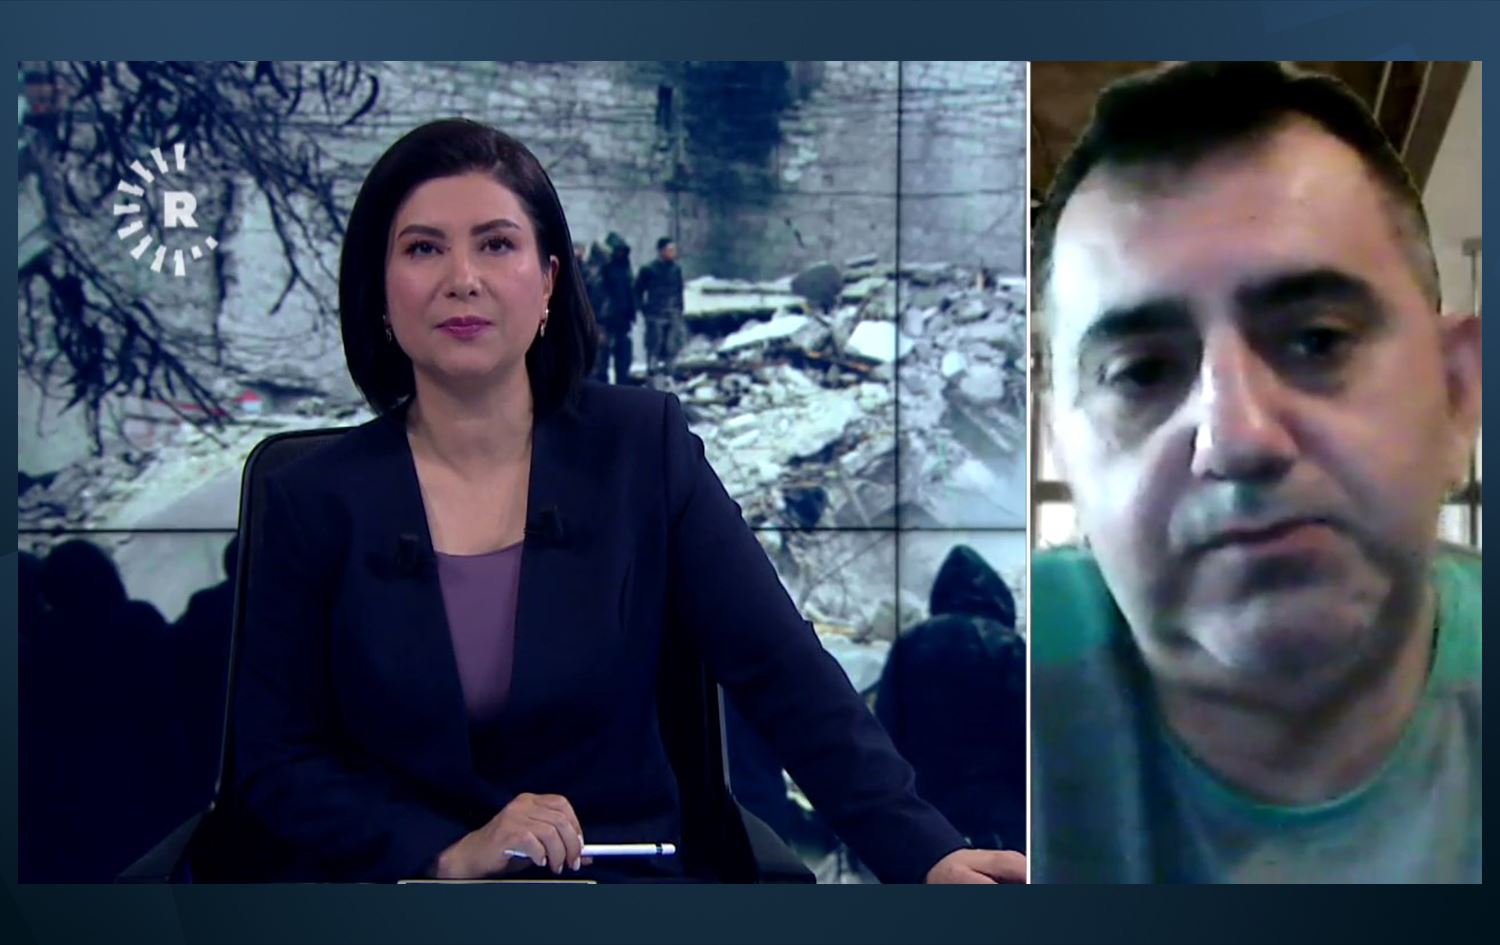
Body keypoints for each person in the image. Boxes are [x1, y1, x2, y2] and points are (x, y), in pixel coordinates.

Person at [232, 118, 1024, 885]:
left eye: (496, 244)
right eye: (423, 248)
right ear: (379, 290)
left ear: (548, 280)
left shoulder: (643, 448)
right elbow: (278, 760)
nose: (462, 278)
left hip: (612, 881)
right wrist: (444, 853)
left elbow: (781, 669)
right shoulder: (312, 498)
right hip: (406, 894)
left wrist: (925, 851)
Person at [1030, 62, 1481, 883]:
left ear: (1456, 395)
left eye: (1317, 340)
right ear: (1061, 446)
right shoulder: (986, 698)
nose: (1237, 439)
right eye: (1140, 372)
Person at [635, 236, 686, 378]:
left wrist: (679, 308)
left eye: (674, 250)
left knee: (672, 345)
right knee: (654, 344)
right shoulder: (649, 269)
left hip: (673, 313)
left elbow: (679, 290)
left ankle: (670, 373)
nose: (673, 253)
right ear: (661, 251)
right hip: (655, 314)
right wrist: (643, 309)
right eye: (669, 250)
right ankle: (652, 373)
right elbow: (637, 290)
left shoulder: (676, 269)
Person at [597, 231, 636, 384]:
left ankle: (621, 385)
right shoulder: (602, 268)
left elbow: (630, 291)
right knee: (602, 359)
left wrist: (631, 311)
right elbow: (597, 293)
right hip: (605, 320)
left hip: (623, 319)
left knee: (623, 357)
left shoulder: (625, 268)